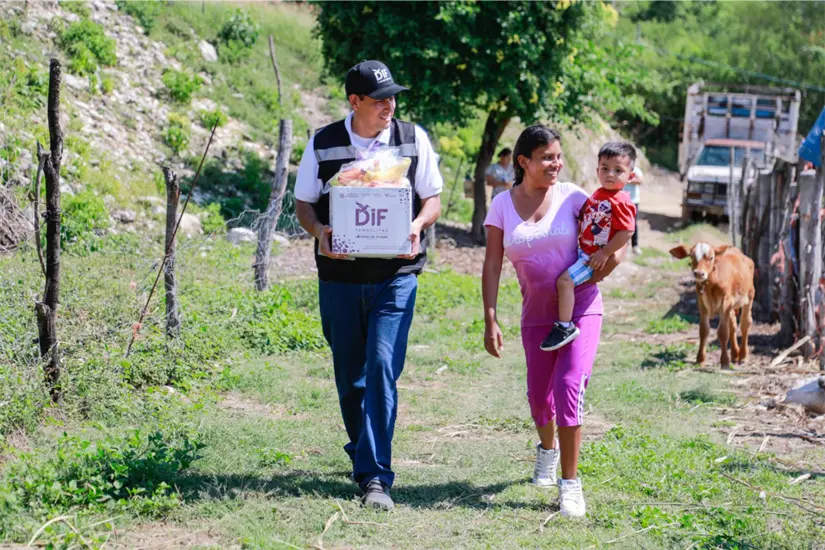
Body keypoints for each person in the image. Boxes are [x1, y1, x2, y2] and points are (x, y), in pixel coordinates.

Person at [294, 60, 443, 511]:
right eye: (380, 99)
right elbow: (304, 204)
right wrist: (321, 233)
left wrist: (417, 224)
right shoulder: (323, 143)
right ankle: (364, 452)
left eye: (393, 97)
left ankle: (376, 477)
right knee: (350, 376)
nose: (389, 106)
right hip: (339, 277)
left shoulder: (412, 138)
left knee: (381, 365)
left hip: (395, 276)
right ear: (354, 101)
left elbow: (432, 199)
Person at [481, 125, 625, 518]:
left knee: (567, 388)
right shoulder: (502, 205)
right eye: (547, 157)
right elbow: (492, 263)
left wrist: (601, 268)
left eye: (558, 156)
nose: (556, 164)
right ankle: (547, 449)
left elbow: (614, 236)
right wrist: (490, 317)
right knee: (539, 401)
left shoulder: (574, 197)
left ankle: (570, 484)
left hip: (580, 307)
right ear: (524, 161)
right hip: (536, 315)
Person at [540, 142, 637, 351]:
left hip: (591, 258)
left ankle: (565, 326)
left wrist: (605, 253)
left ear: (630, 176)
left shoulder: (621, 201)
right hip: (584, 250)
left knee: (564, 282)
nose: (610, 174)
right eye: (605, 168)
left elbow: (627, 232)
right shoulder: (599, 193)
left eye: (618, 170)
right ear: (597, 170)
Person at [627, 165, 643, 254]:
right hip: (622, 201)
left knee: (633, 224)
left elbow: (640, 181)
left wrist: (627, 180)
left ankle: (635, 245)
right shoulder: (622, 169)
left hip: (633, 200)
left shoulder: (636, 170)